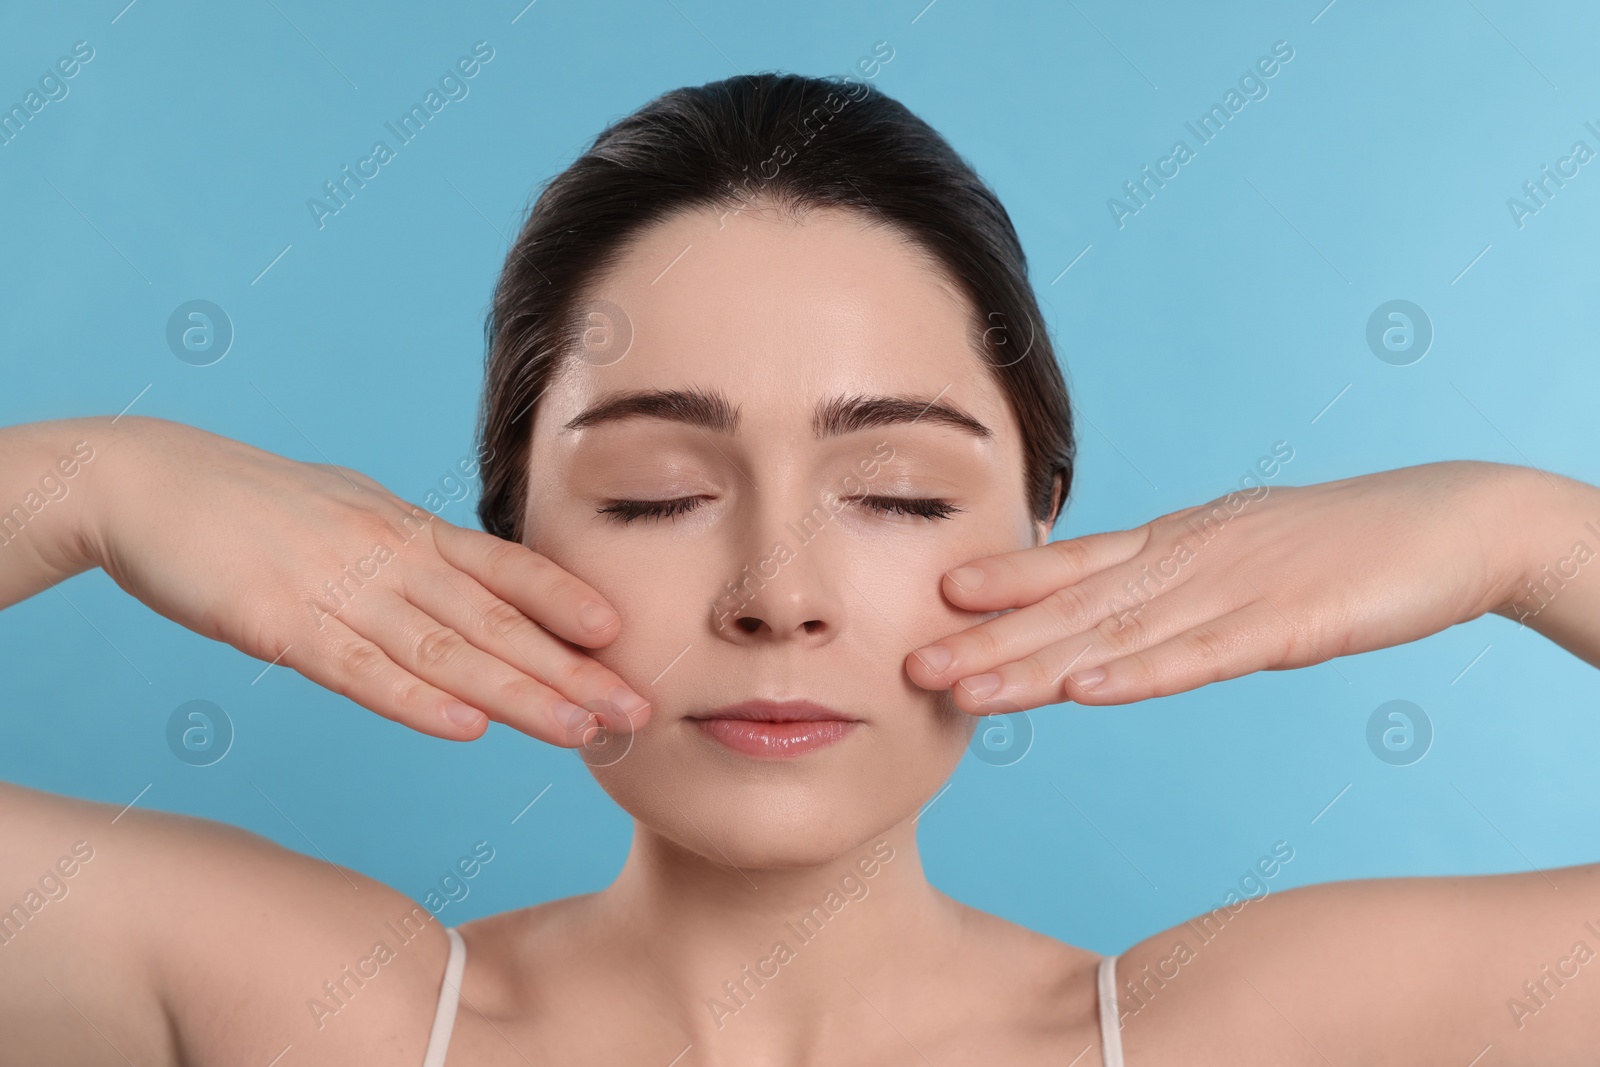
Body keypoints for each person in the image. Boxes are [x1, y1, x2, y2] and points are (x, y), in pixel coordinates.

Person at [3, 72, 1598, 1066]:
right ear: (504, 538)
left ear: (1042, 526)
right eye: (652, 491)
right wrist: (91, 480)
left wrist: (1518, 534)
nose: (779, 589)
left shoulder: (1232, 1039)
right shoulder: (310, 1014)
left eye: (897, 492)